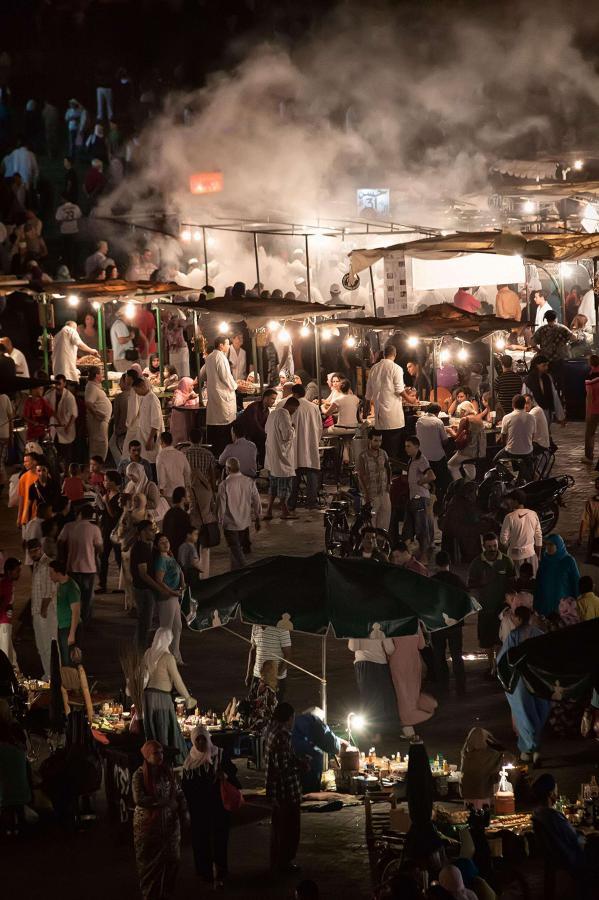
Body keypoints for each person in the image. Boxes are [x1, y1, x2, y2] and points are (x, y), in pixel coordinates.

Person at [181, 724, 241, 888]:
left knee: (219, 841)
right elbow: (186, 788)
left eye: (203, 738)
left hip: (218, 808)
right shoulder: (189, 762)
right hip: (199, 810)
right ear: (193, 741)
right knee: (201, 841)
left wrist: (225, 776)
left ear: (208, 739)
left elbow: (234, 776)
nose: (201, 742)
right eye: (197, 739)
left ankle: (220, 873)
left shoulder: (219, 755)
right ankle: (205, 873)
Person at [132, 740, 187, 900]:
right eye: (156, 753)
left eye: (161, 752)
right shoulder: (140, 775)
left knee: (173, 861)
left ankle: (167, 893)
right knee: (149, 867)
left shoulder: (167, 772)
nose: (160, 756)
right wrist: (164, 803)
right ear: (147, 756)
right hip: (148, 828)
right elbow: (139, 799)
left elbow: (178, 792)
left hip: (170, 826)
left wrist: (184, 810)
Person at [497, 606, 550, 764]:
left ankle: (529, 748)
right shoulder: (539, 634)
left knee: (524, 714)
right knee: (539, 711)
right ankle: (536, 748)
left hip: (519, 681)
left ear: (519, 619)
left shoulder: (513, 636)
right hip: (538, 679)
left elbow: (503, 659)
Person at [143, 628, 196, 763]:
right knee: (164, 728)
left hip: (148, 698)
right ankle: (167, 760)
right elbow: (177, 680)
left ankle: (152, 757)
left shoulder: (148, 653)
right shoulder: (168, 657)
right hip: (162, 698)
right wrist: (188, 698)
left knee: (152, 730)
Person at [265, 702, 306, 873]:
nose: (293, 722)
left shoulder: (270, 731)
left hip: (275, 790)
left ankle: (277, 862)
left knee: (278, 829)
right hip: (286, 790)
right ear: (289, 718)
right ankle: (284, 863)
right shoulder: (282, 735)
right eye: (292, 718)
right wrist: (302, 766)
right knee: (289, 829)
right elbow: (282, 767)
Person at [468, 533, 515, 675]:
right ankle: (491, 666)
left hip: (502, 611)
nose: (493, 549)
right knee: (487, 641)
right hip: (485, 609)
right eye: (489, 547)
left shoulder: (506, 561)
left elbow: (512, 583)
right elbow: (470, 584)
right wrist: (480, 584)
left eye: (494, 546)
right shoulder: (476, 563)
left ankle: (500, 666)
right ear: (483, 547)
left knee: (500, 640)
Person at [365, 344, 415, 459]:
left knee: (381, 451)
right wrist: (411, 400)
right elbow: (399, 390)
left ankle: (382, 474)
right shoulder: (396, 368)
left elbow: (368, 394)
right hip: (393, 418)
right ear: (395, 355)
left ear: (383, 354)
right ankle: (390, 473)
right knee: (392, 452)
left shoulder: (374, 368)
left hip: (379, 418)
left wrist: (366, 411)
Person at [57, 504, 103, 624]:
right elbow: (100, 549)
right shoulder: (94, 529)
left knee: (73, 597)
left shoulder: (69, 526)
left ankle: (73, 620)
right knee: (87, 598)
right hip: (89, 568)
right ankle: (85, 620)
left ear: (79, 514)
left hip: (72, 567)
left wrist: (62, 557)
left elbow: (60, 542)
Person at [531, 773, 585, 872]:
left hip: (556, 860)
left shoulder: (538, 814)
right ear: (551, 793)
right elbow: (574, 838)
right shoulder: (554, 816)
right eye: (556, 789)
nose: (557, 793)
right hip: (571, 860)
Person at [348, 632, 397, 739]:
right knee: (384, 697)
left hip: (363, 663)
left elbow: (352, 647)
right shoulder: (382, 624)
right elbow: (390, 649)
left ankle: (371, 732)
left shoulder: (358, 625)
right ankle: (382, 730)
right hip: (380, 663)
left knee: (367, 698)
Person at [430, 551, 467, 694]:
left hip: (437, 624)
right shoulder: (457, 580)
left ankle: (443, 686)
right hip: (455, 624)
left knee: (439, 655)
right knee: (457, 655)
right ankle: (460, 686)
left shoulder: (432, 581)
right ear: (449, 563)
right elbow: (466, 598)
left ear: (436, 563)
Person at [217, 457, 261, 570]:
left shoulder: (224, 484)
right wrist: (258, 518)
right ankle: (235, 573)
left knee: (235, 550)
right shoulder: (249, 481)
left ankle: (246, 571)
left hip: (230, 525)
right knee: (236, 551)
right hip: (244, 523)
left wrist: (220, 521)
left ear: (228, 468)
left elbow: (221, 506)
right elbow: (257, 501)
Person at [291, 708, 349, 793]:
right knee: (309, 797)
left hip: (296, 774)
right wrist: (341, 744)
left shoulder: (298, 722)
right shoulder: (312, 721)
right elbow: (328, 740)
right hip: (308, 771)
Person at [200, 335, 238, 457]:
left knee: (215, 432)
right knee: (223, 432)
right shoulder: (221, 358)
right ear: (221, 345)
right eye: (227, 344)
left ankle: (216, 457)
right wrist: (236, 386)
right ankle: (223, 458)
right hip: (223, 400)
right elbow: (225, 377)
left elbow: (203, 374)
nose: (228, 346)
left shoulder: (209, 357)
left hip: (215, 399)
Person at [288, 384, 323, 511]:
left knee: (294, 474)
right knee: (312, 473)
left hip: (296, 446)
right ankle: (311, 503)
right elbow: (320, 427)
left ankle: (292, 503)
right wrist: (316, 441)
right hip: (311, 444)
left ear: (294, 394)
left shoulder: (292, 407)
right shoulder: (314, 407)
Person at [264, 396, 299, 520]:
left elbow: (266, 430)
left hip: (271, 456)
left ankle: (268, 511)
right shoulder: (284, 415)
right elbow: (286, 436)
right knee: (284, 485)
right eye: (294, 409)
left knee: (272, 486)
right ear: (291, 406)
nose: (294, 412)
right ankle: (284, 511)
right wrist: (293, 428)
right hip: (281, 457)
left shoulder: (272, 413)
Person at [152, 533, 185, 663]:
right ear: (156, 546)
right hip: (167, 597)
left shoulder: (170, 556)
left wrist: (182, 584)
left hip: (175, 595)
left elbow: (179, 571)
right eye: (162, 542)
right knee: (166, 628)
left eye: (167, 540)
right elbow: (159, 580)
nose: (166, 543)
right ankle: (162, 659)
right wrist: (172, 592)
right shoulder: (161, 560)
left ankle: (175, 657)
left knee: (177, 626)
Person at [28, 539, 57, 681]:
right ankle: (48, 674)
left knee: (48, 644)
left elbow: (50, 590)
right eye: (30, 552)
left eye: (35, 551)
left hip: (45, 611)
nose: (33, 554)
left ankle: (53, 674)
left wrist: (43, 610)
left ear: (40, 549)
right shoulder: (37, 565)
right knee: (41, 645)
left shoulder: (47, 565)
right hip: (37, 611)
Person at [403, 435, 435, 561]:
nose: (406, 449)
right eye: (405, 446)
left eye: (409, 446)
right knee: (409, 526)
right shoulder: (412, 460)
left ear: (416, 447)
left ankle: (424, 557)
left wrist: (421, 482)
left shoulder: (421, 460)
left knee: (422, 528)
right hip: (413, 497)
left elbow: (432, 475)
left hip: (420, 498)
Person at [534, 534, 580, 617]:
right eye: (547, 544)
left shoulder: (568, 561)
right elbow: (538, 582)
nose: (548, 547)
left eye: (551, 544)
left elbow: (576, 582)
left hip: (564, 606)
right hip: (546, 604)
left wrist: (577, 603)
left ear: (558, 545)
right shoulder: (544, 561)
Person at [499, 489, 543, 574]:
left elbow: (503, 540)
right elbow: (539, 537)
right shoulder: (533, 514)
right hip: (531, 555)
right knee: (531, 582)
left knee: (516, 581)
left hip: (515, 556)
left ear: (515, 501)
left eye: (510, 500)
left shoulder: (509, 517)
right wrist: (538, 555)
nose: (508, 503)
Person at [357, 427, 392, 532]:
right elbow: (361, 475)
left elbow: (388, 468)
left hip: (384, 492)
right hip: (371, 495)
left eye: (380, 440)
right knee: (371, 523)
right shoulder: (363, 456)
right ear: (370, 440)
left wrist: (389, 483)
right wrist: (366, 494)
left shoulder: (383, 454)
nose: (378, 443)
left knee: (384, 522)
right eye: (376, 440)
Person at [460, 727, 504, 808]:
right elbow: (496, 776)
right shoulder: (492, 755)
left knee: (470, 816)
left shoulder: (465, 754)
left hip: (467, 793)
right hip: (484, 793)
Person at [48, 559, 81, 665]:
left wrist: (72, 634)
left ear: (58, 573)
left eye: (51, 573)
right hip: (62, 627)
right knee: (63, 659)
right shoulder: (59, 585)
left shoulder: (71, 587)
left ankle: (73, 681)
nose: (50, 576)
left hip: (68, 628)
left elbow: (76, 612)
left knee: (70, 660)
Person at [531, 310, 573, 393]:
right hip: (560, 360)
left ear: (546, 319)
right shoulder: (562, 328)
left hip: (547, 361)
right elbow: (574, 338)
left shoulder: (542, 330)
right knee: (562, 382)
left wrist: (539, 350)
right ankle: (562, 399)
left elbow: (532, 342)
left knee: (549, 382)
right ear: (556, 318)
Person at [416, 404, 450, 504]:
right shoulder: (438, 422)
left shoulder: (419, 420)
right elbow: (445, 441)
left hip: (423, 456)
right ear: (437, 413)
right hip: (436, 457)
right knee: (444, 477)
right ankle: (442, 498)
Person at [522, 355, 564, 433]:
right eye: (543, 366)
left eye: (547, 365)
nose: (546, 368)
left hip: (546, 412)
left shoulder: (547, 378)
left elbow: (554, 396)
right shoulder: (528, 381)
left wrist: (560, 416)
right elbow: (524, 399)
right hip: (534, 414)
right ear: (536, 366)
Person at [247, 625, 292, 698]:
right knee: (254, 704)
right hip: (258, 676)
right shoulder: (255, 626)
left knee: (273, 706)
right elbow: (253, 649)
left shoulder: (282, 628)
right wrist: (249, 674)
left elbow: (287, 655)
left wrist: (277, 676)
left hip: (274, 680)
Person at [498, 394, 535, 481]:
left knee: (495, 460)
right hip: (528, 451)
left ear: (513, 405)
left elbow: (503, 437)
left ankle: (510, 479)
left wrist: (505, 446)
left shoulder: (507, 417)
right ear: (524, 404)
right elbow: (532, 435)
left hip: (511, 451)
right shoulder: (532, 417)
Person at [236, 388, 278, 466]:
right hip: (245, 435)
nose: (274, 401)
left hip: (256, 435)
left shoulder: (267, 411)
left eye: (274, 399)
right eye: (272, 398)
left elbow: (265, 426)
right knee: (265, 443)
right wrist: (265, 435)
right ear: (265, 398)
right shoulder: (254, 406)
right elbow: (254, 424)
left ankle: (265, 466)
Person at [96, 470, 122, 593]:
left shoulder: (119, 497)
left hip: (115, 531)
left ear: (113, 482)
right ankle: (102, 585)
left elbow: (114, 516)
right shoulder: (107, 494)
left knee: (119, 559)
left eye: (106, 480)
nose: (104, 482)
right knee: (103, 557)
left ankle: (123, 585)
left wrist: (106, 502)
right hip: (105, 530)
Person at [447, 401, 486, 482]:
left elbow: (456, 436)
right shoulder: (478, 418)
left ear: (463, 411)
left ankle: (460, 484)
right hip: (478, 451)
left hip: (467, 451)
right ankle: (469, 484)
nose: (459, 414)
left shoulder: (465, 419)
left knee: (451, 465)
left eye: (459, 412)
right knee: (468, 465)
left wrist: (449, 430)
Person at [45, 374, 78, 466]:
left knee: (66, 452)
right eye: (56, 384)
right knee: (55, 450)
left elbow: (74, 414)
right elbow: (44, 402)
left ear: (64, 384)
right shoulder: (50, 394)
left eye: (59, 383)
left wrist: (68, 426)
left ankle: (68, 470)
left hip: (66, 426)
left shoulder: (69, 397)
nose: (57, 386)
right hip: (54, 427)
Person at [133, 377, 163, 465]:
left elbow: (156, 422)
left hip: (150, 437)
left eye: (136, 390)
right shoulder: (144, 397)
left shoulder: (153, 399)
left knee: (152, 463)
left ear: (142, 386)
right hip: (143, 436)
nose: (136, 393)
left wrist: (150, 440)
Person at [84, 366, 112, 460]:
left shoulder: (94, 386)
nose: (102, 375)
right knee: (99, 443)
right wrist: (96, 414)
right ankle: (97, 464)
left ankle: (98, 463)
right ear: (96, 375)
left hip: (101, 421)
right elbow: (88, 403)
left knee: (102, 443)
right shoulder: (91, 387)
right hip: (97, 422)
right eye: (101, 373)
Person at [156, 431, 191, 503]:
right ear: (171, 441)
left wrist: (161, 491)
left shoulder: (161, 456)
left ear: (161, 442)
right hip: (181, 491)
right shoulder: (181, 454)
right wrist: (187, 488)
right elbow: (187, 472)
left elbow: (161, 477)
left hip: (168, 493)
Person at [0, 558, 21, 667]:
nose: (19, 573)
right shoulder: (5, 584)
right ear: (9, 571)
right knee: (5, 654)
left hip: (5, 623)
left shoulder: (7, 583)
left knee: (10, 653)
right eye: (17, 570)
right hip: (3, 623)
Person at [162, 486, 191, 562]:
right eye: (187, 496)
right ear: (183, 499)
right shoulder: (184, 515)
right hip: (181, 553)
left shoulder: (168, 514)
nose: (189, 498)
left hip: (169, 551)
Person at [579, 476, 599, 563]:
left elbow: (585, 522)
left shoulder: (591, 502)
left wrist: (580, 537)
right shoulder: (591, 502)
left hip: (595, 539)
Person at [584, 354, 599, 463]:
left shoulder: (590, 376)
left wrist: (588, 411)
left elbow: (589, 395)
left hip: (594, 409)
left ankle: (589, 457)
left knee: (590, 433)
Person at [110, 307, 135, 373]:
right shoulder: (120, 325)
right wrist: (131, 336)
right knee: (128, 379)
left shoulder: (119, 324)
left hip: (123, 358)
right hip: (122, 359)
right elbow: (121, 340)